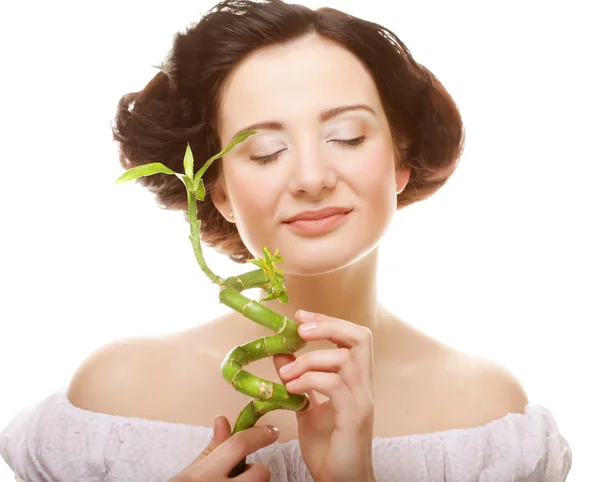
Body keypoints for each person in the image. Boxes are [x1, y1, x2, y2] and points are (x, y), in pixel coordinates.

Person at [0, 0, 572, 481]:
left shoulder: (487, 418)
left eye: (346, 136)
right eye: (266, 151)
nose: (311, 177)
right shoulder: (115, 395)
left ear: (400, 161)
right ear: (218, 190)